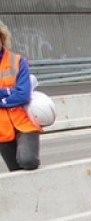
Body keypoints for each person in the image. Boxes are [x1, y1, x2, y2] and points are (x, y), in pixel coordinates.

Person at [0, 19, 42, 172]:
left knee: (28, 161)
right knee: (16, 172)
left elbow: (23, 95)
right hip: (2, 130)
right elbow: (18, 93)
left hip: (25, 124)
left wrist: (2, 96)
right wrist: (10, 92)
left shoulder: (17, 61)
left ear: (2, 38)